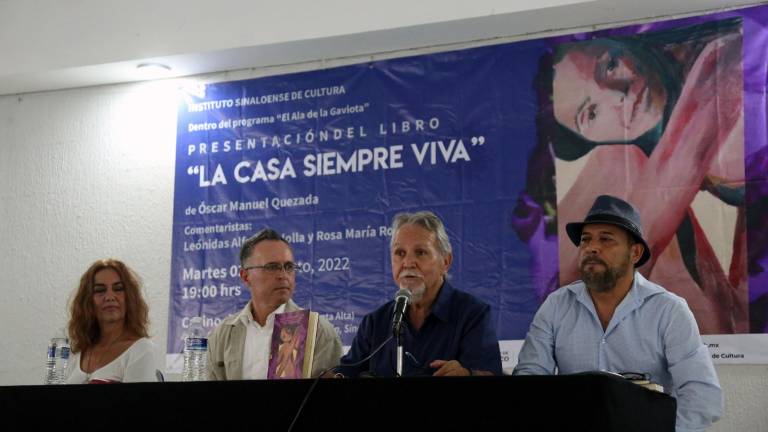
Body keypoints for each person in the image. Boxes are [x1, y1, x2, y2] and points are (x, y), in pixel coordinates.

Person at [512, 17, 748, 334]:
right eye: (591, 113)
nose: (618, 95)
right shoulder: (624, 156)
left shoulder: (721, 60)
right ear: (590, 139)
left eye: (609, 66)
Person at [514, 195, 723, 432]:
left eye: (606, 239)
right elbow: (529, 384)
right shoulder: (556, 306)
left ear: (634, 253)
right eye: (585, 240)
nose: (592, 247)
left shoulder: (668, 310)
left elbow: (702, 397)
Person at [335, 211, 502, 377]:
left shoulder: (473, 315)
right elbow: (345, 373)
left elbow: (490, 374)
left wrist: (467, 374)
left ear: (445, 261)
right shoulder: (374, 322)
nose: (408, 262)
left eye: (420, 252)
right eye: (400, 253)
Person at [207, 228, 342, 379]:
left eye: (289, 267)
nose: (283, 275)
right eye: (272, 267)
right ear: (245, 276)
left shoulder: (317, 331)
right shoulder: (223, 334)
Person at [66, 259, 157, 384]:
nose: (109, 297)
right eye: (100, 290)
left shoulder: (141, 350)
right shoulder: (77, 352)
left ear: (129, 298)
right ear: (88, 301)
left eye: (118, 288)